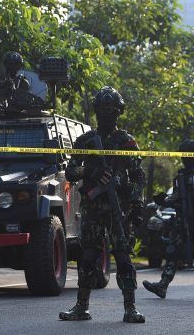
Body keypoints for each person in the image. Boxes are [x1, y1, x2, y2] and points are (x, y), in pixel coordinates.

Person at [58, 86, 146, 323]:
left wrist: (137, 203)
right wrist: (91, 171)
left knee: (124, 258)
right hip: (94, 207)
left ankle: (130, 308)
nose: (107, 114)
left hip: (119, 209)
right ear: (96, 111)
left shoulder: (127, 141)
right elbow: (70, 172)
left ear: (119, 112)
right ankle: (81, 306)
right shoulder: (85, 141)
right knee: (88, 257)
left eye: (112, 110)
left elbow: (138, 175)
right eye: (103, 109)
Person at [142, 139, 194, 299]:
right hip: (182, 219)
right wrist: (165, 200)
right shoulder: (180, 176)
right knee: (173, 250)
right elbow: (177, 196)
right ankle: (163, 284)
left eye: (188, 155)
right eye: (183, 155)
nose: (185, 159)